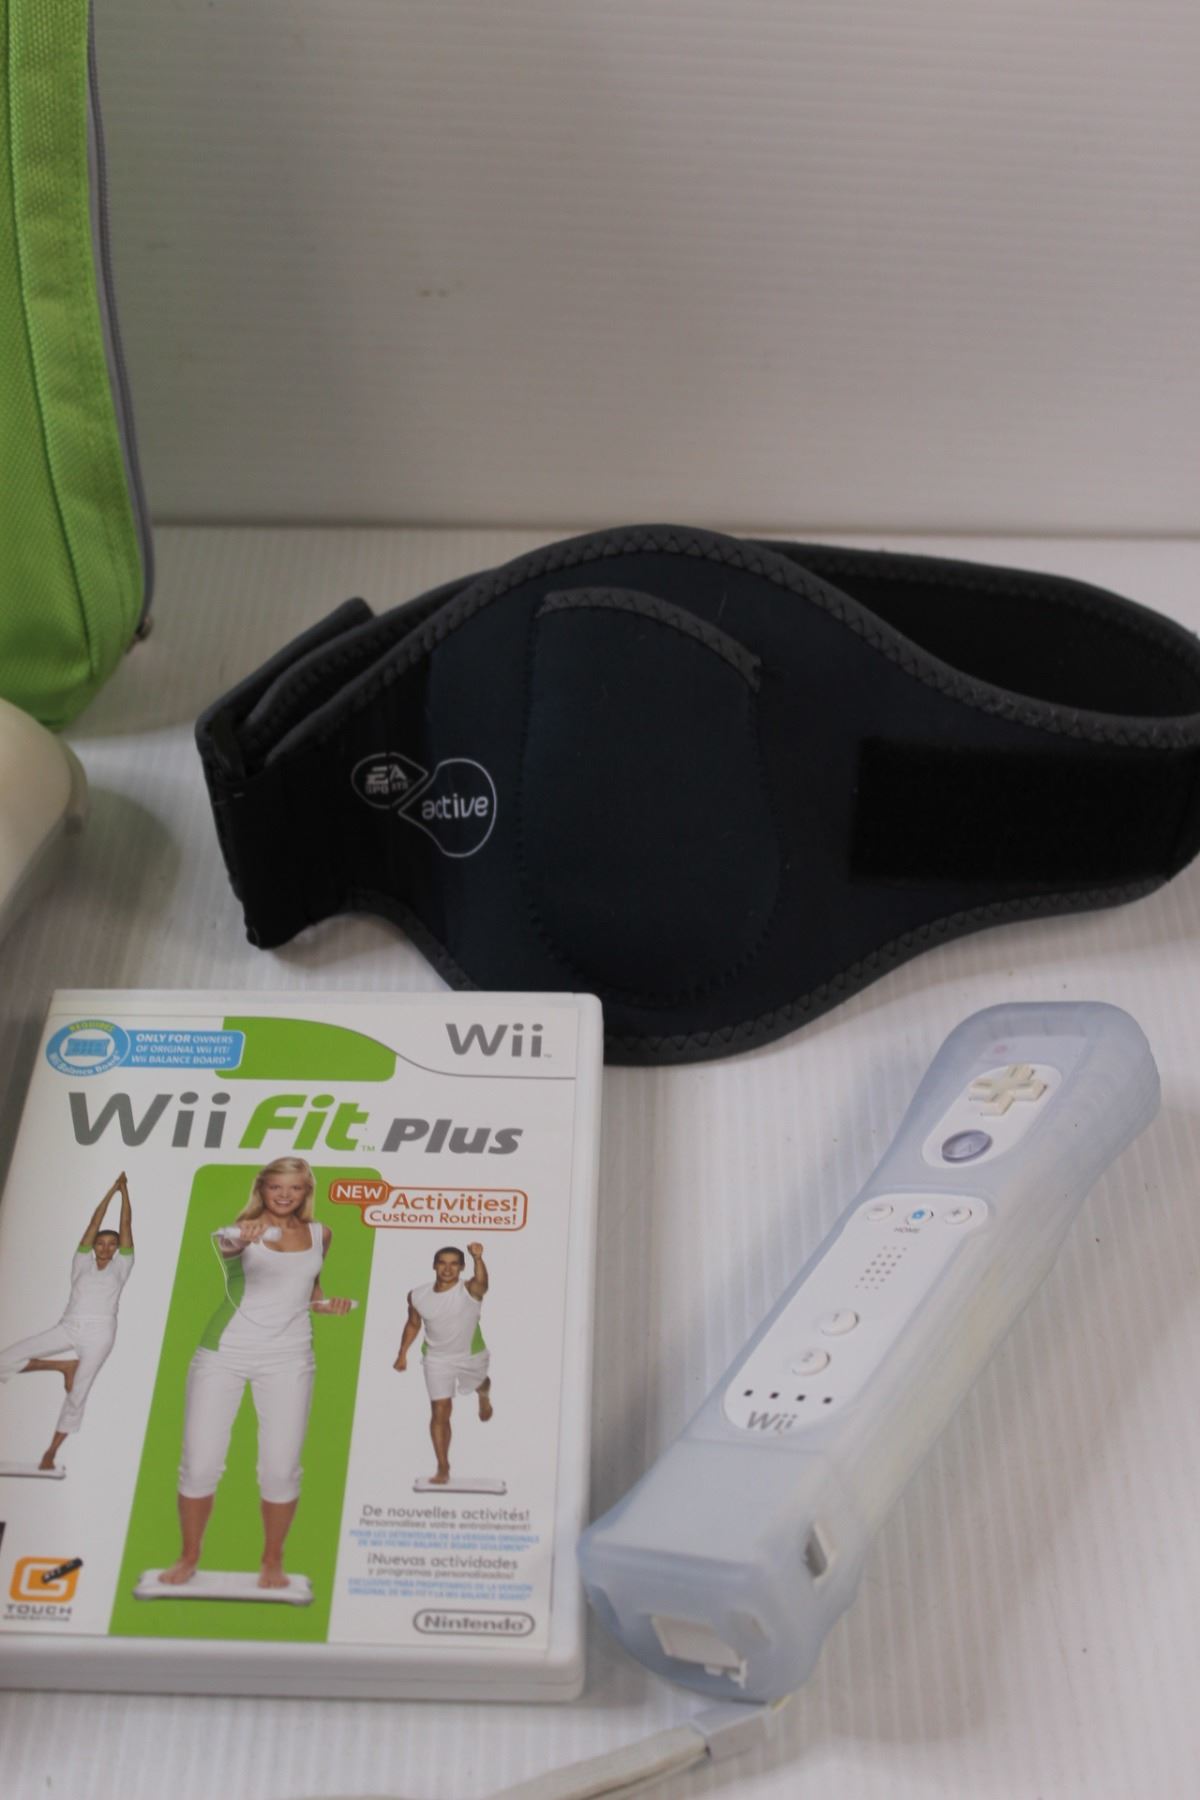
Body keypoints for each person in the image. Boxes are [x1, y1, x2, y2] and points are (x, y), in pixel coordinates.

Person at [158, 1156, 352, 1591]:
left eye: (294, 1188)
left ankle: (272, 1560)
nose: (285, 1195)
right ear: (262, 1188)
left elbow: (310, 1292)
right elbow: (230, 1248)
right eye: (276, 1187)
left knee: (281, 1470)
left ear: (306, 1191)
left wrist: (329, 1305)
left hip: (290, 1357)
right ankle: (189, 1557)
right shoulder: (237, 1231)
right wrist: (243, 1237)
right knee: (199, 1465)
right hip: (224, 1353)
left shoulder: (321, 1234)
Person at [0, 1173, 134, 1470]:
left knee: (77, 1395)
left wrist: (124, 1193)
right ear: (93, 1246)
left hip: (100, 1333)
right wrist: (111, 1191)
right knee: (5, 1358)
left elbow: (126, 1225)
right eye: (101, 1243)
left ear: (117, 1249)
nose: (105, 1248)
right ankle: (63, 1366)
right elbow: (93, 1223)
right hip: (68, 1326)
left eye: (111, 1244)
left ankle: (50, 1453)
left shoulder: (122, 1266)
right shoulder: (81, 1262)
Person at [394, 1242, 492, 1485]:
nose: (448, 1269)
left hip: (470, 1355)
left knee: (481, 1384)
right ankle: (443, 1466)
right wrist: (402, 1353)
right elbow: (413, 1324)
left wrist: (478, 1258)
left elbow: (482, 1283)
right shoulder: (417, 1295)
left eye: (454, 1264)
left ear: (461, 1268)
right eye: (442, 1263)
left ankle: (483, 1394)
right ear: (434, 1266)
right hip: (436, 1359)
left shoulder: (469, 1290)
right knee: (440, 1411)